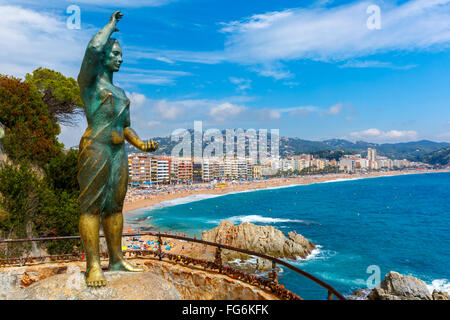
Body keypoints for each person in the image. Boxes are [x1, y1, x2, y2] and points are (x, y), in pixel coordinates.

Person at [77, 11, 158, 287]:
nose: (120, 58)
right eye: (116, 54)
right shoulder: (89, 84)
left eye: (121, 55)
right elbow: (92, 48)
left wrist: (140, 144)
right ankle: (92, 267)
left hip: (118, 153)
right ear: (103, 58)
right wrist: (110, 27)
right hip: (95, 149)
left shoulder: (122, 94)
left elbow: (125, 127)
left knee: (115, 208)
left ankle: (116, 259)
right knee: (91, 208)